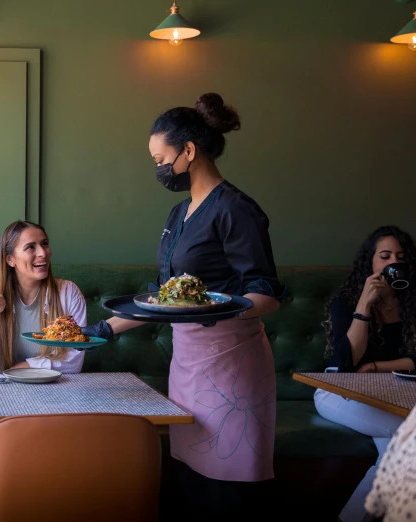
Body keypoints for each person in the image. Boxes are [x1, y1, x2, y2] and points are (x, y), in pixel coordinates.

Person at [83, 93, 284, 520]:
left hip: (233, 366)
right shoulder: (178, 214)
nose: (158, 168)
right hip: (188, 364)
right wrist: (100, 331)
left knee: (229, 489)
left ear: (189, 151)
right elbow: (164, 297)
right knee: (191, 479)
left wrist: (211, 309)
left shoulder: (236, 209)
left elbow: (266, 294)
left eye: (161, 158)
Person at [315, 225, 416, 522]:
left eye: (400, 257)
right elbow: (347, 364)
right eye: (384, 256)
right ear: (371, 262)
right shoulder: (346, 301)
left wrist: (374, 367)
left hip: (389, 393)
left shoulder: (411, 303)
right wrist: (364, 303)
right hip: (339, 391)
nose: (391, 263)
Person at [0, 220, 87, 373]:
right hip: (0, 390)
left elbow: (73, 361)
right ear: (10, 259)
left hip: (53, 387)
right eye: (30, 247)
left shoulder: (68, 293)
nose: (42, 253)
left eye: (45, 244)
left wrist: (18, 368)